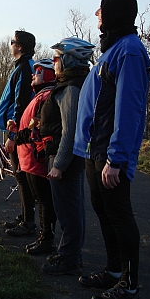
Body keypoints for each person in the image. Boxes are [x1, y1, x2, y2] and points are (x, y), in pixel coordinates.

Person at [73, 0, 150, 299]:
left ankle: (129, 287)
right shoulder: (113, 48)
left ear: (114, 13)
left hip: (109, 153)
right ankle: (114, 269)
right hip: (95, 151)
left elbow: (129, 109)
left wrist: (117, 159)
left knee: (119, 214)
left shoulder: (129, 51)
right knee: (104, 212)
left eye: (101, 9)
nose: (96, 14)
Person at [39, 37, 95, 276]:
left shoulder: (70, 87)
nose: (55, 63)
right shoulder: (82, 82)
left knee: (68, 209)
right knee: (73, 207)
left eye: (56, 58)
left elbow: (69, 130)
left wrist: (59, 165)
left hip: (65, 158)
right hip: (73, 157)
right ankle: (69, 253)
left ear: (68, 59)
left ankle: (70, 258)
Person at [9, 58, 58, 254]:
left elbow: (35, 131)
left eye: (38, 72)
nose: (33, 74)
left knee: (44, 200)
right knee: (40, 199)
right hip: (29, 158)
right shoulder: (39, 96)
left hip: (36, 158)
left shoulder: (46, 97)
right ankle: (44, 237)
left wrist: (15, 137)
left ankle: (46, 239)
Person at [0, 29, 36, 236]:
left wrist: (13, 136)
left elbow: (22, 103)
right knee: (21, 177)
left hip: (17, 132)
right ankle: (25, 217)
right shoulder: (23, 66)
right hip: (15, 130)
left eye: (12, 42)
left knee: (22, 177)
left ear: (19, 46)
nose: (10, 45)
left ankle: (28, 223)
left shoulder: (25, 68)